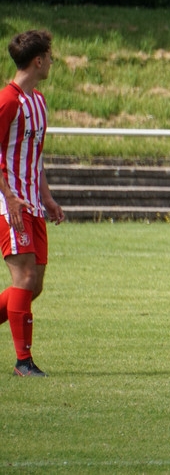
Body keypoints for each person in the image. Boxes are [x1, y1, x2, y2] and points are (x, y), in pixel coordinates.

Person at [0, 29, 65, 377]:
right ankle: (23, 361)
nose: (52, 62)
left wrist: (47, 197)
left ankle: (23, 359)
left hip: (33, 203)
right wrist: (9, 195)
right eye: (50, 57)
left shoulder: (37, 102)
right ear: (38, 61)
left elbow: (33, 157)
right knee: (23, 277)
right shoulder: (7, 101)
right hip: (8, 204)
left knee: (33, 284)